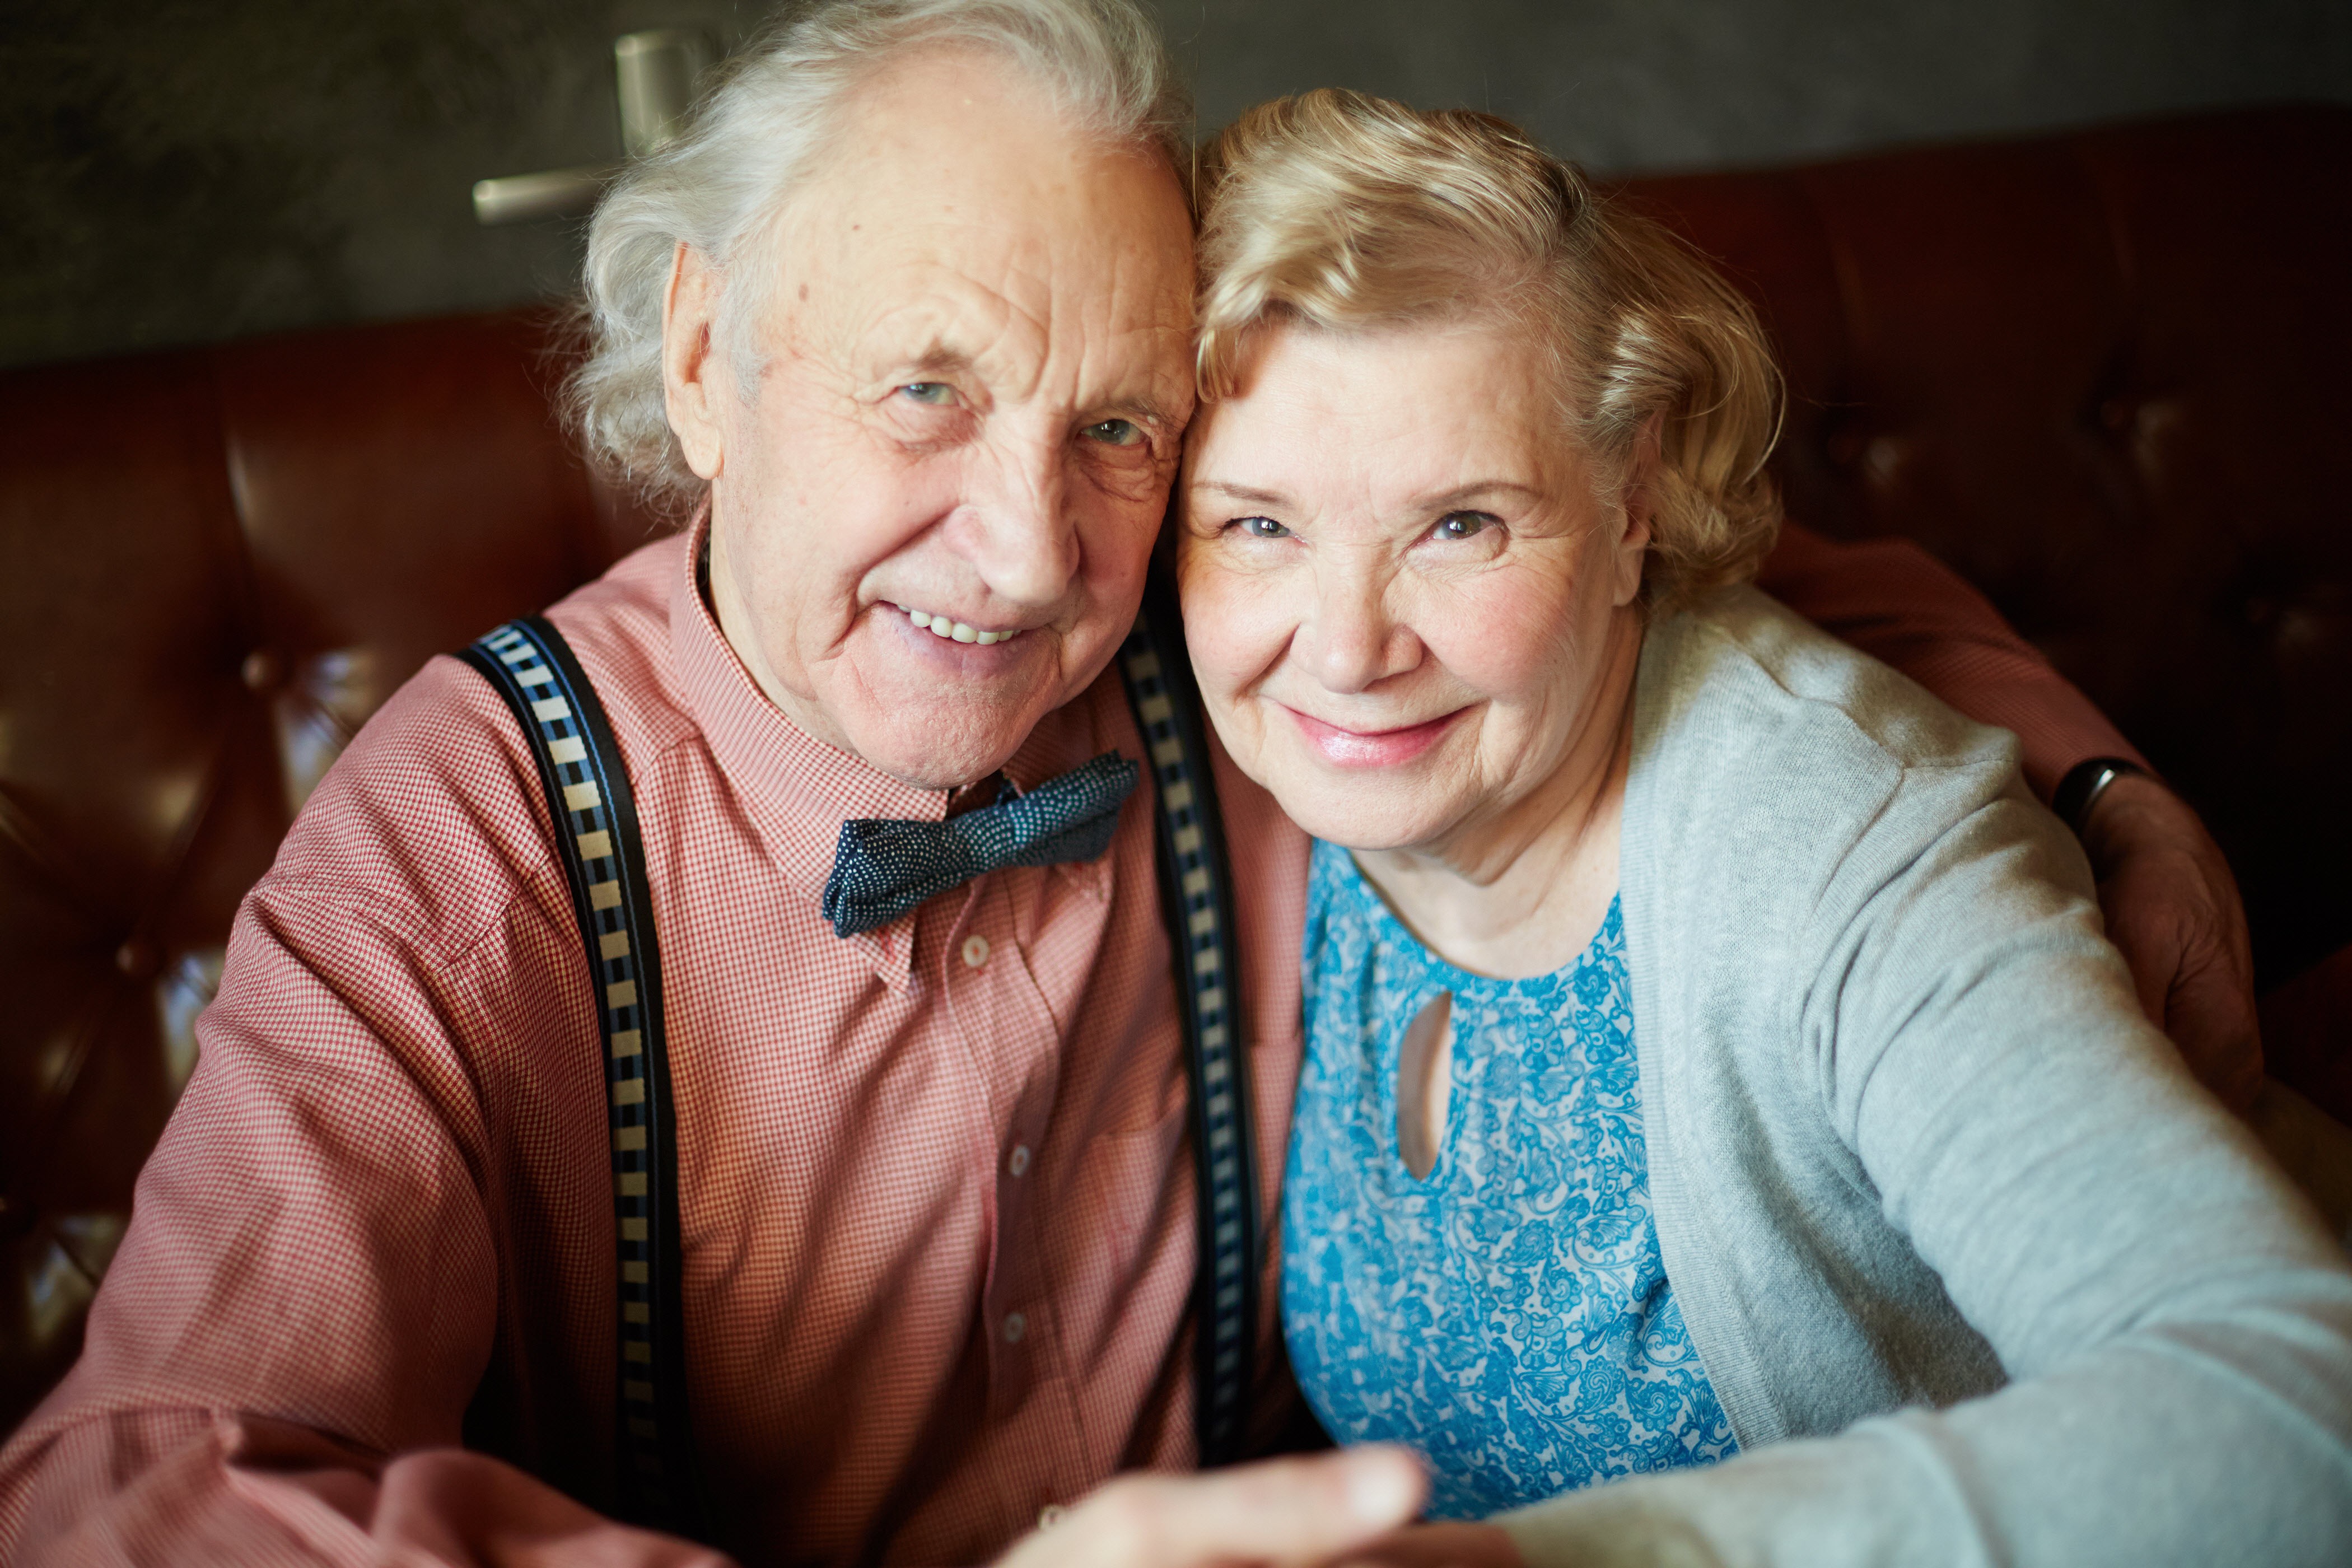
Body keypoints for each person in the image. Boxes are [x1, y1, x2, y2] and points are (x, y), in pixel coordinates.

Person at [0, 2, 2276, 1564]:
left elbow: (1661, 576)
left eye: (1117, 430)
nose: (1019, 557)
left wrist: (2083, 785)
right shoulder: (482, 826)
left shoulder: (1251, 652)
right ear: (706, 356)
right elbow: (127, 1496)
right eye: (922, 391)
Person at [1169, 88, 2352, 1565]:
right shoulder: (1266, 775)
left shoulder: (1832, 851)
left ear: (1635, 494)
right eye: (1257, 524)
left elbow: (2302, 1408)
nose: (1346, 649)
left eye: (1460, 523)